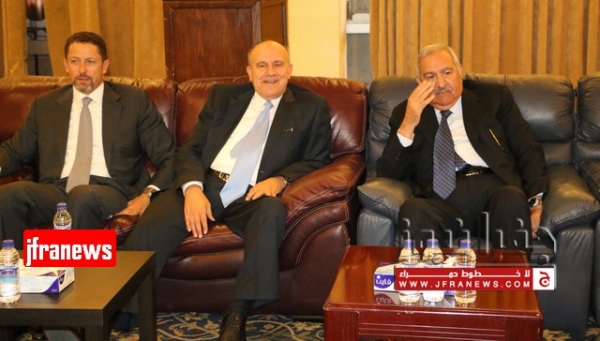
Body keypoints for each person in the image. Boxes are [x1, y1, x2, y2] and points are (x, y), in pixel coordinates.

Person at [121, 40, 332, 340]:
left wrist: (281, 179)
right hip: (207, 182)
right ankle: (120, 314)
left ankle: (237, 313)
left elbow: (317, 159)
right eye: (261, 65)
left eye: (278, 64)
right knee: (151, 228)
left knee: (271, 211)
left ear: (289, 70)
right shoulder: (223, 97)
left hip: (252, 193)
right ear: (249, 72)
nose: (270, 72)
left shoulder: (311, 107)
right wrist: (192, 190)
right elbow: (190, 151)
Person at [0, 31, 176, 249]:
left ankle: (77, 270)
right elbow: (15, 151)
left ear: (105, 66)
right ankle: (17, 268)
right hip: (57, 190)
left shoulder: (133, 101)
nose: (82, 70)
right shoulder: (45, 105)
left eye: (90, 62)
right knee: (8, 196)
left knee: (82, 196)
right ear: (65, 65)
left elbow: (169, 157)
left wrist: (148, 195)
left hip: (111, 189)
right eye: (75, 61)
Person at [377, 44, 547, 251]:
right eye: (430, 77)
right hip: (442, 203)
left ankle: (511, 273)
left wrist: (535, 203)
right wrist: (409, 123)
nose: (440, 83)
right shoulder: (405, 113)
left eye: (447, 72)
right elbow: (388, 173)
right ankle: (435, 272)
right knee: (412, 210)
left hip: (496, 196)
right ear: (419, 82)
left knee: (511, 198)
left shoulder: (493, 98)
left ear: (461, 71)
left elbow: (527, 149)